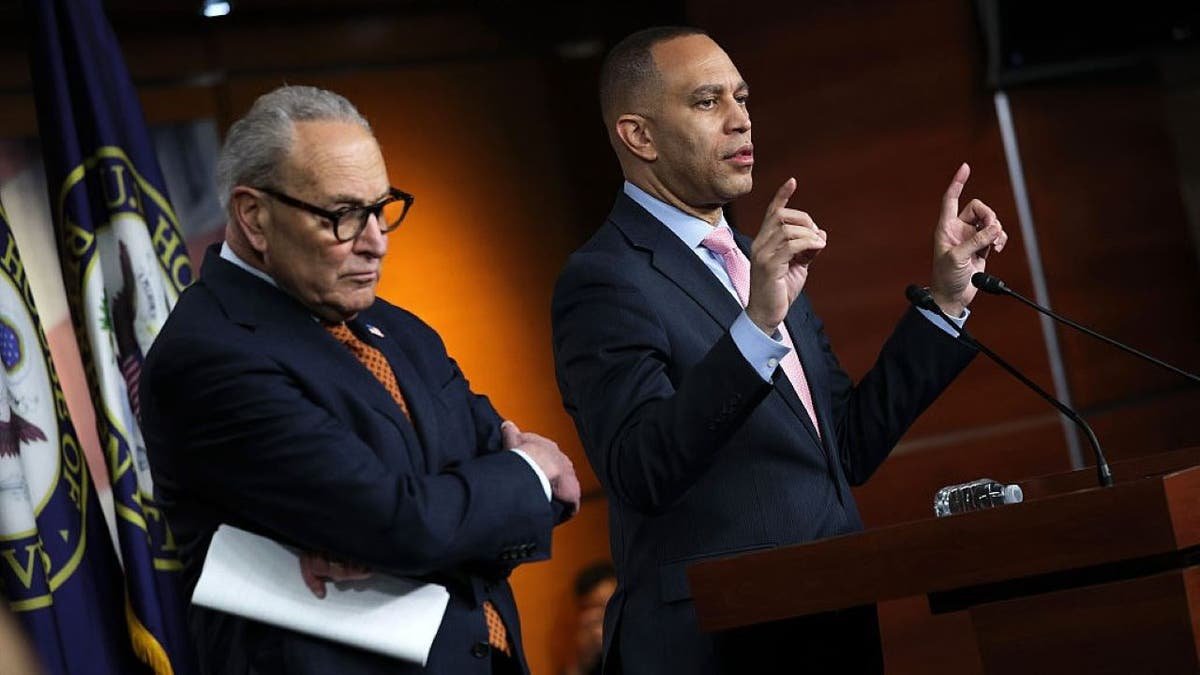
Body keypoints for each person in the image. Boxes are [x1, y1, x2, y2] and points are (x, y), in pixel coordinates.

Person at [551, 26, 1008, 674]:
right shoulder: (605, 278)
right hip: (716, 645)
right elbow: (640, 466)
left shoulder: (749, 256)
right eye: (708, 102)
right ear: (639, 135)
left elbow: (845, 444)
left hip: (832, 622)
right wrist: (758, 322)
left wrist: (945, 301)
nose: (741, 120)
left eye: (742, 98)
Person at [141, 85, 580, 675]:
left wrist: (437, 520)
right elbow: (402, 524)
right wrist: (522, 472)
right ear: (254, 216)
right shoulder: (209, 353)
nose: (377, 242)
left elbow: (487, 504)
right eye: (343, 216)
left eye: (381, 208)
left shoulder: (397, 329)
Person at [561, 562, 617, 675]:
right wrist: (583, 659)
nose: (598, 616)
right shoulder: (583, 645)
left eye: (605, 607)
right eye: (591, 607)